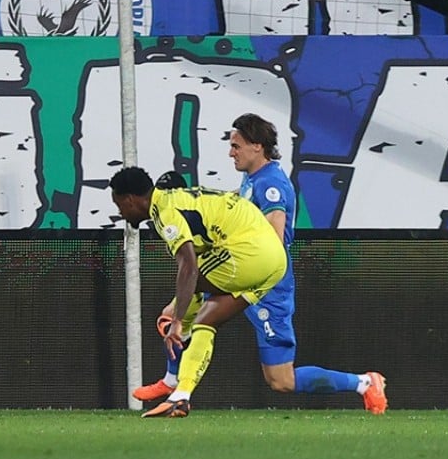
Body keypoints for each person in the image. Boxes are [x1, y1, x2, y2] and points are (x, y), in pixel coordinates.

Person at [135, 115, 387, 413]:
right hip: (238, 268)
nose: (231, 152)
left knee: (281, 380)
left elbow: (273, 240)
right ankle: (173, 383)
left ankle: (363, 383)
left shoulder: (271, 184)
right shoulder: (253, 179)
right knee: (176, 316)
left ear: (257, 146)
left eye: (236, 146)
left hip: (267, 284)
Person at [110, 165, 286, 418]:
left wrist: (177, 320)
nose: (120, 212)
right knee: (207, 320)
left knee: (187, 290)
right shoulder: (178, 198)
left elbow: (189, 267)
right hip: (276, 262)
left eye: (119, 205)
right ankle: (180, 395)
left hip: (249, 252)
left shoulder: (166, 212)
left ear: (130, 199)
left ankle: (176, 356)